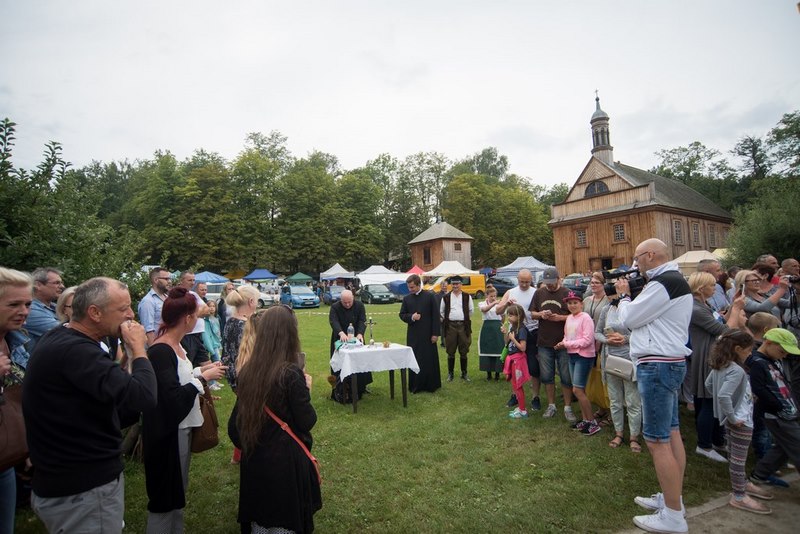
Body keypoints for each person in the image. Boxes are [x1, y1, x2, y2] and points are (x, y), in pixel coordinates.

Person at [22, 277, 157, 534]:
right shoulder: (77, 351)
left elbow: (115, 404)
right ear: (94, 312)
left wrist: (126, 358)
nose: (131, 314)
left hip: (69, 482)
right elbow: (143, 398)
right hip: (83, 489)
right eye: (123, 308)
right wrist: (139, 349)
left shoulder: (63, 338)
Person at [615, 238, 692, 534]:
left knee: (657, 441)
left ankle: (672, 517)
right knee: (671, 433)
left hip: (658, 365)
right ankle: (674, 499)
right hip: (668, 363)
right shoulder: (672, 281)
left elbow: (629, 319)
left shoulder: (664, 282)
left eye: (637, 258)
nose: (635, 264)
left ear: (650, 255)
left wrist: (624, 297)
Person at [228, 305, 322, 533]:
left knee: (260, 520)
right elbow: (307, 420)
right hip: (284, 465)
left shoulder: (248, 371)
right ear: (290, 334)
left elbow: (235, 427)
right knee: (283, 522)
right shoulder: (290, 374)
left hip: (255, 460)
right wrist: (306, 391)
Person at [142, 287, 226, 533]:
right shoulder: (161, 350)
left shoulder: (175, 346)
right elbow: (172, 398)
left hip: (183, 427)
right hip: (170, 433)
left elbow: (180, 378)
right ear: (188, 318)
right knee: (166, 493)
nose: (198, 320)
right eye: (196, 316)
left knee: (178, 489)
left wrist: (203, 370)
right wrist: (203, 379)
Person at [705, 329, 773, 515]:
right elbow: (723, 395)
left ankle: (742, 484)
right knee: (738, 459)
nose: (750, 354)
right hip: (740, 421)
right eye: (749, 350)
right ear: (738, 349)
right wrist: (733, 416)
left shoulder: (722, 365)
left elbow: (709, 386)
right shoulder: (736, 370)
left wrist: (733, 404)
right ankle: (739, 495)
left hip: (733, 419)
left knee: (734, 455)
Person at [687, 271, 746, 463]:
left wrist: (731, 306)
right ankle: (704, 445)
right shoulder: (696, 309)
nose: (715, 288)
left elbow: (719, 321)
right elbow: (725, 331)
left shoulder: (704, 305)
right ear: (701, 288)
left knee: (712, 400)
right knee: (707, 401)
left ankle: (717, 440)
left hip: (712, 354)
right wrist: (736, 310)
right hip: (707, 356)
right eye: (712, 285)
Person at [0, 267, 33, 533]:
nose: (23, 311)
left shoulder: (16, 342)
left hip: (6, 459)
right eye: (13, 304)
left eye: (28, 304)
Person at [749, 328, 800, 486]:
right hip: (775, 413)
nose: (784, 356)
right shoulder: (757, 362)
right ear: (769, 343)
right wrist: (777, 405)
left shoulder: (773, 360)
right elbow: (758, 389)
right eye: (782, 351)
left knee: (784, 447)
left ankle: (760, 475)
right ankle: (759, 475)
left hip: (786, 410)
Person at [595, 293, 642, 452]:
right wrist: (607, 340)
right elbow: (597, 332)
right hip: (610, 360)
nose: (612, 295)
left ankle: (634, 437)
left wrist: (625, 339)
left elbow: (641, 333)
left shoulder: (633, 308)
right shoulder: (607, 309)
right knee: (615, 400)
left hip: (630, 360)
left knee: (633, 401)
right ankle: (619, 433)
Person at [530, 267, 576, 422]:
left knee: (566, 376)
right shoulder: (539, 293)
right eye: (546, 282)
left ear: (558, 279)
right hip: (544, 342)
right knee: (547, 376)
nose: (549, 285)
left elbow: (576, 315)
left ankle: (568, 407)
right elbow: (532, 313)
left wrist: (560, 318)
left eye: (551, 282)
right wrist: (541, 314)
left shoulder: (567, 293)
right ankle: (551, 405)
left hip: (563, 342)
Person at [496, 269, 540, 410]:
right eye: (522, 282)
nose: (525, 284)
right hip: (514, 333)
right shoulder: (511, 292)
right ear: (517, 279)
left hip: (532, 332)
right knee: (514, 365)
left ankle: (535, 397)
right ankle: (515, 395)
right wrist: (506, 304)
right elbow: (498, 310)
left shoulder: (536, 292)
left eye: (527, 282)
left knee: (534, 367)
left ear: (531, 280)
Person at [555, 291, 599, 435]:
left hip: (584, 356)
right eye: (570, 303)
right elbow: (567, 336)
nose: (572, 305)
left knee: (577, 390)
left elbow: (587, 340)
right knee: (579, 389)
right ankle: (585, 420)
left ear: (581, 304)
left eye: (575, 302)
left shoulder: (585, 318)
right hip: (572, 355)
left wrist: (567, 344)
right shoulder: (569, 318)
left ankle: (592, 422)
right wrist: (562, 343)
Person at [399, 274, 441, 393]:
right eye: (409, 287)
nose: (410, 289)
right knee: (415, 359)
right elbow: (402, 314)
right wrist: (411, 317)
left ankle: (430, 385)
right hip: (413, 335)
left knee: (428, 359)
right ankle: (416, 385)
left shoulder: (430, 296)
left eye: (412, 287)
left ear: (418, 285)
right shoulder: (407, 299)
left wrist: (435, 333)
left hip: (428, 334)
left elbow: (436, 316)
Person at [328, 289, 370, 401]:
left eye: (349, 302)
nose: (347, 305)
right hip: (340, 338)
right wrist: (341, 332)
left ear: (353, 298)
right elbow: (333, 321)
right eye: (344, 302)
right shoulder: (335, 307)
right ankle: (339, 389)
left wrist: (360, 333)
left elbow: (362, 320)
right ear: (340, 300)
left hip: (357, 339)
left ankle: (361, 387)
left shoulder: (359, 305)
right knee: (339, 364)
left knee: (360, 362)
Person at [440, 275, 474, 382]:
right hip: (450, 326)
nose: (455, 286)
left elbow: (471, 311)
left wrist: (463, 319)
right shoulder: (446, 297)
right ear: (451, 285)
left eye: (457, 284)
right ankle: (450, 374)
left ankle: (464, 373)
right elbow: (441, 311)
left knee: (464, 349)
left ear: (461, 284)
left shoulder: (467, 296)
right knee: (450, 350)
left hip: (463, 326)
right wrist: (449, 319)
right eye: (453, 284)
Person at [23, 267, 64, 353]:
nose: (62, 286)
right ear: (38, 285)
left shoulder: (55, 307)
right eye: (57, 283)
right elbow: (65, 332)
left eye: (61, 283)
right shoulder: (31, 310)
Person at [177, 271, 212, 367]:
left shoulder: (193, 294)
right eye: (189, 280)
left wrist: (193, 314)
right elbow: (183, 316)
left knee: (207, 363)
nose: (192, 283)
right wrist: (198, 312)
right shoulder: (178, 295)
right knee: (189, 363)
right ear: (181, 280)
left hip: (198, 334)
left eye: (193, 280)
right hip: (187, 336)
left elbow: (207, 310)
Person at [501, 304, 530, 418]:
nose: (509, 317)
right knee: (515, 385)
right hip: (512, 359)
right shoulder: (513, 327)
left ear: (519, 316)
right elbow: (507, 342)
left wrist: (513, 338)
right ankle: (521, 407)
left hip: (518, 360)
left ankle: (523, 411)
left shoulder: (522, 329)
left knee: (518, 386)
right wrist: (506, 333)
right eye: (508, 315)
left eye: (511, 315)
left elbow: (523, 348)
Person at [138, 266, 172, 346]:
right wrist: (154, 351)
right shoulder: (148, 301)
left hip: (169, 344)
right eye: (166, 279)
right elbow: (149, 331)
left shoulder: (167, 298)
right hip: (158, 346)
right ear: (156, 280)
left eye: (169, 279)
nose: (169, 281)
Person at [478, 285, 504, 381]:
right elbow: (484, 310)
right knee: (487, 349)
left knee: (498, 349)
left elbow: (503, 316)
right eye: (491, 296)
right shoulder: (482, 303)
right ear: (487, 295)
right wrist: (494, 303)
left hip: (497, 327)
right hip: (487, 327)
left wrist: (501, 325)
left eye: (495, 296)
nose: (493, 298)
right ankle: (488, 373)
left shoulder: (499, 304)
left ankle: (497, 373)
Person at [202, 299, 224, 390]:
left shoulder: (216, 318)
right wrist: (210, 347)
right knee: (214, 362)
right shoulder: (206, 320)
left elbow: (217, 332)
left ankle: (214, 381)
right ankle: (211, 383)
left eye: (213, 306)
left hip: (216, 343)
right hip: (211, 344)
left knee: (216, 362)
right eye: (209, 306)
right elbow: (208, 334)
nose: (211, 308)